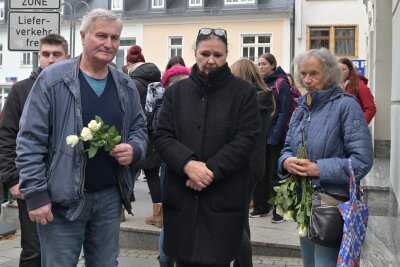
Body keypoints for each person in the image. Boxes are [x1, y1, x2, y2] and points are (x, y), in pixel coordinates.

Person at [15, 9, 147, 267]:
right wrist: (36, 195)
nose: (109, 44)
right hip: (62, 200)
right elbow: (30, 139)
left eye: (115, 37)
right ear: (84, 36)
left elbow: (140, 129)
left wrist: (134, 149)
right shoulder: (53, 80)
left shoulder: (125, 84)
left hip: (109, 199)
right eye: (101, 36)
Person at [154, 27, 260, 267]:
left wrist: (208, 171)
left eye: (218, 55)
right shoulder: (175, 93)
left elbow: (245, 140)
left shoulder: (243, 93)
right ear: (195, 53)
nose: (211, 60)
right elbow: (162, 136)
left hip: (222, 199)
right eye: (205, 54)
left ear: (226, 55)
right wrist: (187, 164)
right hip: (182, 197)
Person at [278, 48, 373, 267]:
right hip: (304, 203)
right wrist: (286, 161)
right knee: (309, 263)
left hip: (332, 204)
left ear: (329, 75)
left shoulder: (347, 106)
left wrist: (317, 168)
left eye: (314, 74)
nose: (307, 79)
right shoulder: (301, 108)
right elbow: (286, 148)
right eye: (303, 73)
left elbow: (362, 162)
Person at [0, 33, 70, 267]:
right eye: (46, 54)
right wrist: (13, 180)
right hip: (30, 184)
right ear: (38, 57)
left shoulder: (74, 89)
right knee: (33, 251)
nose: (50, 59)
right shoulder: (20, 91)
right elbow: (6, 137)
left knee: (64, 252)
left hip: (67, 185)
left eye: (56, 54)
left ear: (67, 57)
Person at [230, 58, 275, 267]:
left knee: (235, 223)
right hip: (255, 163)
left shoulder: (249, 101)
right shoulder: (263, 98)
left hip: (243, 165)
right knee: (241, 219)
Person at [127, 45, 164, 228]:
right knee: (151, 173)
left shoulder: (132, 82)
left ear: (129, 63)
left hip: (138, 131)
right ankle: (159, 215)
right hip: (155, 132)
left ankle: (119, 212)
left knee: (126, 170)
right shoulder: (157, 80)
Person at [252, 53, 292, 223]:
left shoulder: (281, 83)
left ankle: (279, 210)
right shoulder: (260, 83)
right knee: (262, 171)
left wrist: (275, 135)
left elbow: (284, 112)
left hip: (277, 136)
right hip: (262, 136)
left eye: (264, 64)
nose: (260, 67)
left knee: (276, 175)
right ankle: (261, 207)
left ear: (273, 65)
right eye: (258, 64)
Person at [339, 58, 376, 124]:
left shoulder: (359, 85)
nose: (341, 73)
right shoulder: (339, 86)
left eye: (344, 69)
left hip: (354, 129)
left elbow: (371, 109)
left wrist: (358, 125)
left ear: (350, 70)